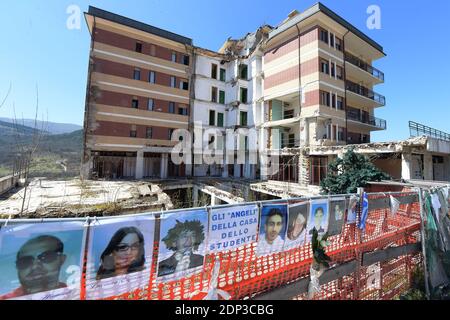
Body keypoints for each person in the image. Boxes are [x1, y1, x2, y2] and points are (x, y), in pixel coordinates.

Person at [0, 235, 67, 300]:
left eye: (46, 257)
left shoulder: (74, 292)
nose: (35, 266)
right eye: (25, 261)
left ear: (62, 259)